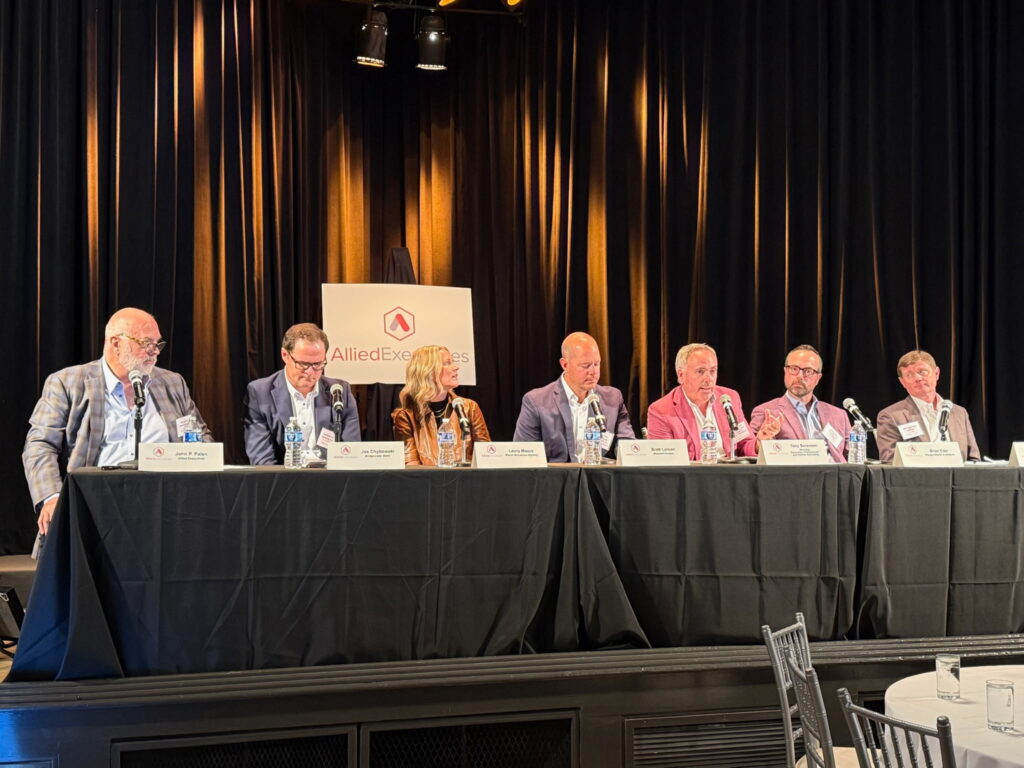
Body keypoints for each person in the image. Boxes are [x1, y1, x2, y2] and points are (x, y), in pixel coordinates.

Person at [23, 307, 211, 535]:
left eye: (157, 344)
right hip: (92, 508)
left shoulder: (172, 383)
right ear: (116, 344)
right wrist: (52, 498)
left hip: (165, 509)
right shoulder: (68, 382)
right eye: (146, 343)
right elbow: (40, 445)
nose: (155, 352)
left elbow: (200, 437)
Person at [244, 323, 360, 464]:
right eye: (303, 364)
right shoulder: (260, 393)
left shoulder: (339, 392)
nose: (310, 372)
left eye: (318, 364)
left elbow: (350, 453)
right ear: (285, 355)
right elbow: (262, 460)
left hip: (330, 475)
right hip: (283, 475)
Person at [513, 331, 635, 462]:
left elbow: (628, 449)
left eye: (597, 364)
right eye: (585, 366)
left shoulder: (613, 398)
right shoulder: (536, 401)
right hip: (555, 475)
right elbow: (523, 457)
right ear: (565, 365)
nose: (593, 372)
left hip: (597, 474)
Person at [645, 342, 757, 460]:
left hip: (730, 470)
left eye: (712, 371)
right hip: (691, 471)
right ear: (681, 375)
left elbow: (744, 443)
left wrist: (758, 444)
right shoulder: (660, 410)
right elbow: (664, 461)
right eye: (700, 371)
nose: (709, 379)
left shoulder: (729, 398)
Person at [749, 344, 852, 462]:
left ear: (818, 378)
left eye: (808, 371)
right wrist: (761, 442)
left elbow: (853, 457)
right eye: (794, 369)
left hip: (836, 472)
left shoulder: (839, 415)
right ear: (785, 371)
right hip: (794, 473)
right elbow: (750, 452)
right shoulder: (766, 412)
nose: (799, 376)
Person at [391, 345, 490, 465]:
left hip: (466, 477)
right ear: (428, 371)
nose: (456, 367)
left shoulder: (469, 407)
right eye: (447, 363)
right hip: (426, 477)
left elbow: (485, 456)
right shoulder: (406, 416)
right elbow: (411, 466)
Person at [876, 349, 980, 462]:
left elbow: (974, 459)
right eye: (909, 375)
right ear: (902, 382)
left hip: (958, 474)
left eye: (922, 372)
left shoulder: (959, 413)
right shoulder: (891, 416)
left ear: (936, 373)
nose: (917, 378)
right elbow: (891, 462)